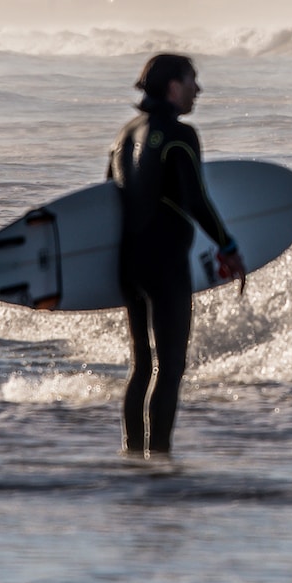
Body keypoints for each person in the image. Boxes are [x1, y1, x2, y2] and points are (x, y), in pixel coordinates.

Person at [107, 53, 244, 456]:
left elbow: (107, 202)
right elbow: (197, 200)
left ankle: (133, 456)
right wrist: (228, 247)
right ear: (173, 87)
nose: (197, 90)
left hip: (129, 264)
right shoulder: (180, 134)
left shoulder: (125, 133)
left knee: (142, 367)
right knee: (171, 368)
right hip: (165, 265)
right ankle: (161, 460)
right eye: (192, 81)